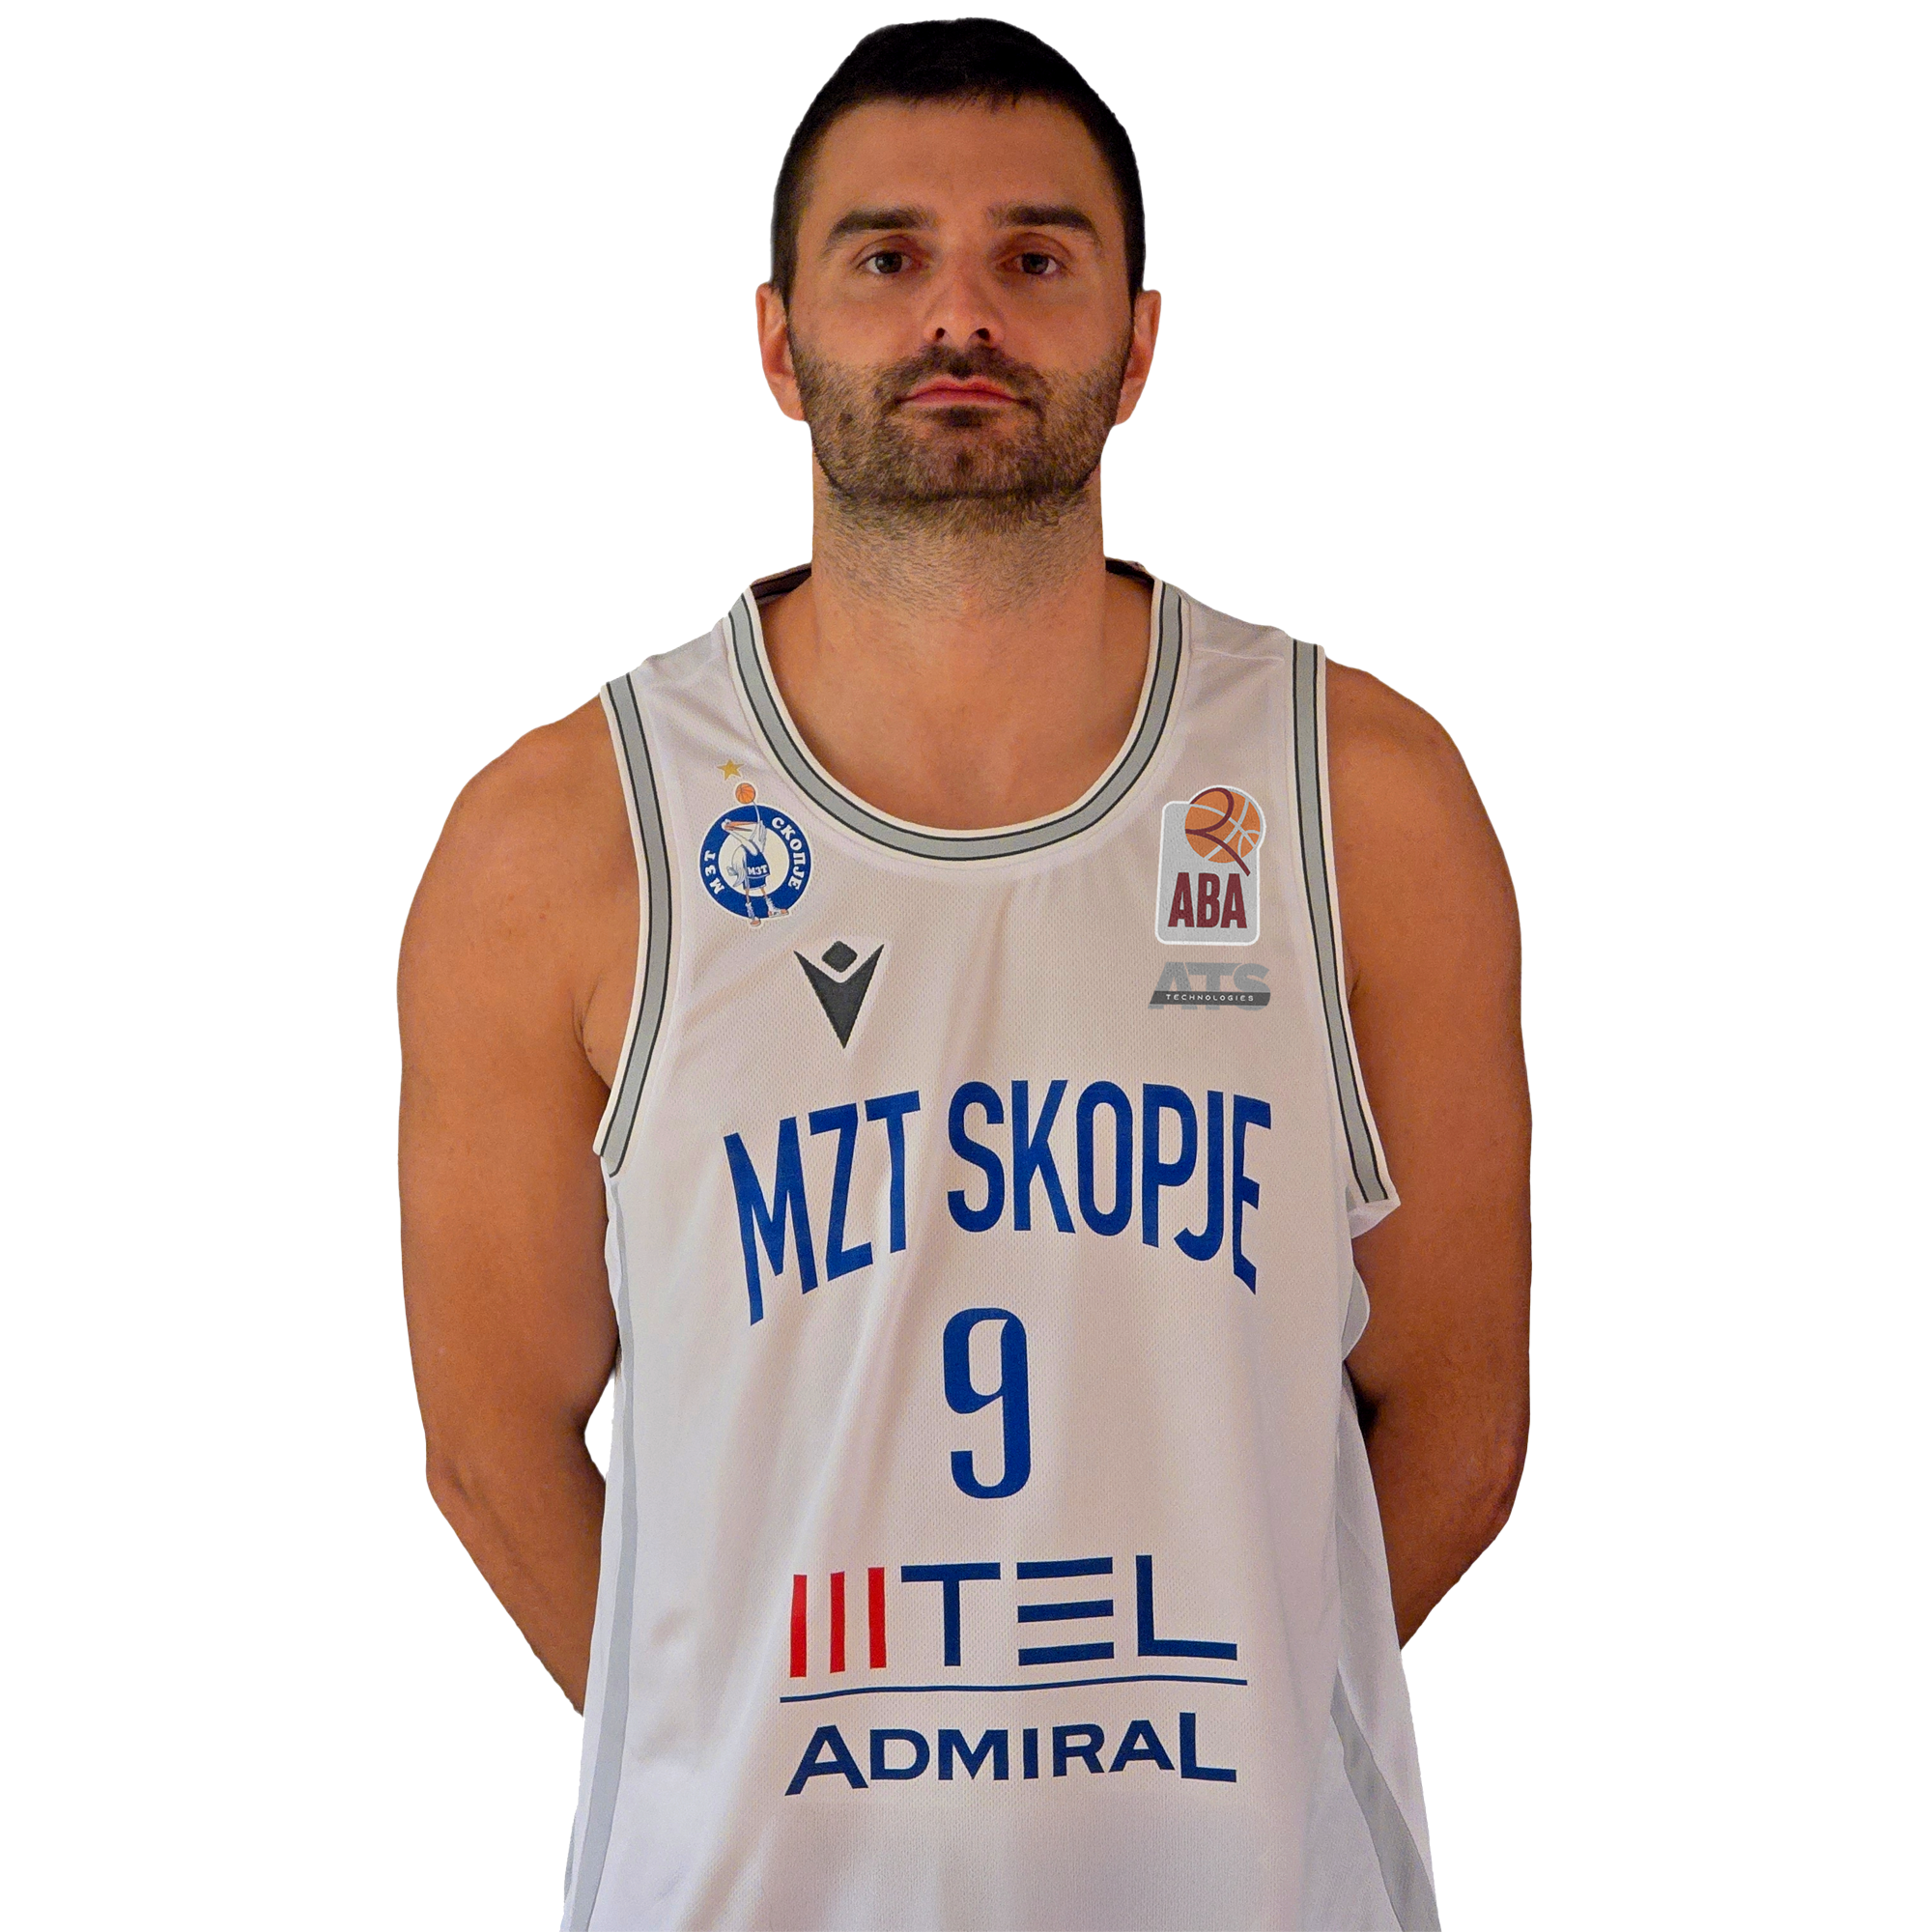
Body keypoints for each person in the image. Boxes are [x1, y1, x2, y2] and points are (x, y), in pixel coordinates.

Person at [398, 18, 1530, 1930]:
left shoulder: (1362, 798)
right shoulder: (562, 838)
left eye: (1034, 255)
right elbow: (493, 1451)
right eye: (887, 255)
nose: (960, 315)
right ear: (779, 341)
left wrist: (1168, 1761)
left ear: (1137, 342)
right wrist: (775, 1763)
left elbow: (1460, 1422)